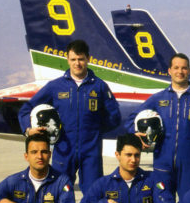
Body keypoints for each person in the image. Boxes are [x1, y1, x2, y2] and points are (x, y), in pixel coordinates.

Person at [18, 40, 121, 194]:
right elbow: (26, 109)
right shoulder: (55, 86)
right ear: (67, 60)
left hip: (91, 152)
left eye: (81, 59)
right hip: (64, 150)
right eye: (73, 59)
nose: (77, 63)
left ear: (88, 59)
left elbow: (115, 116)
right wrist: (28, 129)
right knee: (60, 193)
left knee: (94, 194)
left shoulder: (99, 86)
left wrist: (95, 130)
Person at [126, 53, 190, 200]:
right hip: (163, 161)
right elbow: (132, 119)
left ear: (189, 70)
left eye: (184, 68)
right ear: (169, 70)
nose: (180, 72)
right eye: (176, 68)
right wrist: (136, 133)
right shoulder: (158, 98)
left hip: (189, 163)